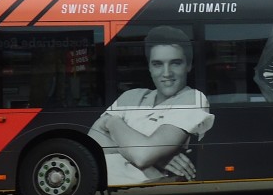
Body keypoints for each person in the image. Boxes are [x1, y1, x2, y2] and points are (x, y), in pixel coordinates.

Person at [89, 26, 214, 186]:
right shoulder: (131, 96)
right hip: (112, 190)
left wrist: (111, 122)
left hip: (148, 191)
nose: (166, 73)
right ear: (149, 66)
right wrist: (158, 159)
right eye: (157, 64)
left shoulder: (193, 99)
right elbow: (92, 146)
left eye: (175, 63)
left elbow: (143, 156)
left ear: (188, 65)